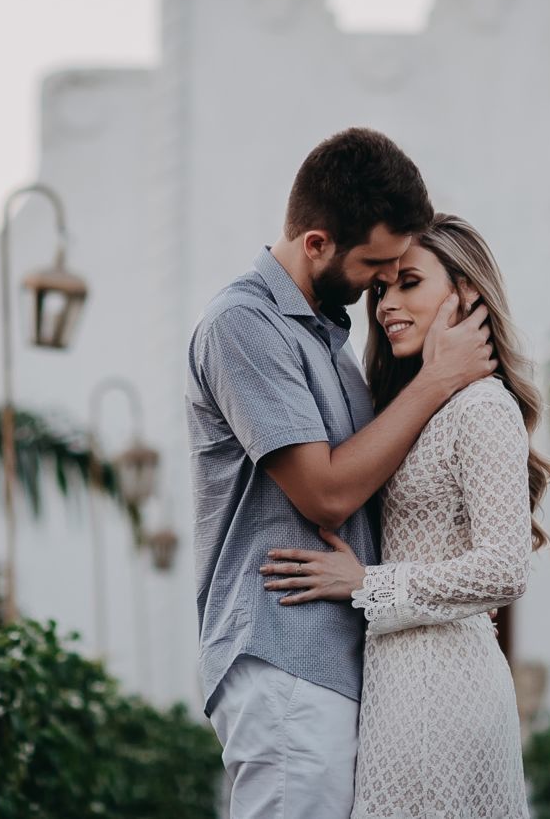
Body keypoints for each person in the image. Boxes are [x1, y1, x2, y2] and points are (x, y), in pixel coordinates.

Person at [187, 129, 497, 819]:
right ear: (317, 243)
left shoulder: (325, 333)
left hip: (339, 661)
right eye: (374, 266)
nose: (378, 288)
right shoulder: (245, 324)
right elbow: (325, 494)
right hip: (285, 654)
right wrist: (439, 379)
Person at [261, 214, 550, 819]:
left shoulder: (481, 405)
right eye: (381, 289)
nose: (387, 305)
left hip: (440, 687)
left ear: (465, 293)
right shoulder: (415, 408)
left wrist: (366, 583)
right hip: (400, 680)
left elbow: (505, 568)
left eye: (410, 283)